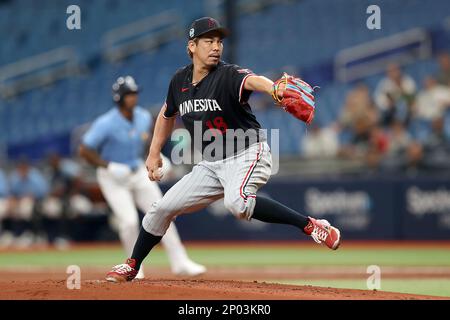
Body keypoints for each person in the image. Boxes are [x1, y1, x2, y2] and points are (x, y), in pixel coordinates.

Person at [106, 17, 341, 282]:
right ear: (192, 46)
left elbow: (253, 80)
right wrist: (153, 153)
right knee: (161, 209)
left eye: (219, 41)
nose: (216, 46)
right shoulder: (179, 81)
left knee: (237, 203)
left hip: (248, 152)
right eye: (209, 41)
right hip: (212, 163)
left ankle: (311, 225)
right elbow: (166, 113)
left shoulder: (228, 74)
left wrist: (273, 88)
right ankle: (132, 265)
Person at [79, 75, 206, 278]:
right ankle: (134, 267)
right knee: (129, 222)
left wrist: (159, 157)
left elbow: (147, 143)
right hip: (113, 176)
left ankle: (180, 261)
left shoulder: (143, 117)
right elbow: (85, 150)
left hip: (137, 171)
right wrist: (108, 165)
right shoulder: (106, 123)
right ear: (119, 97)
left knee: (164, 211)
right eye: (129, 94)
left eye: (135, 93)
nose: (134, 97)